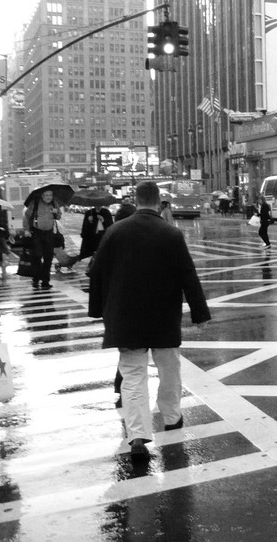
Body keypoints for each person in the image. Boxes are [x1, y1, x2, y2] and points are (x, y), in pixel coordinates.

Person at [87, 181, 211, 461]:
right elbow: (188, 276)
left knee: (132, 377)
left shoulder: (115, 232)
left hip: (125, 317)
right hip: (163, 315)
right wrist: (199, 312)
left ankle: (138, 435)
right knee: (170, 369)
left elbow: (96, 273)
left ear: (135, 199)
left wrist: (98, 311)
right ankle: (172, 416)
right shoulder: (171, 234)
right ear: (158, 202)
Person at [22, 189, 63, 291]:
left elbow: (59, 217)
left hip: (49, 233)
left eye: (50, 195)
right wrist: (26, 230)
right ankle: (36, 279)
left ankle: (45, 281)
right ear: (42, 195)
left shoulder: (54, 203)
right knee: (37, 256)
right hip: (37, 232)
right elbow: (27, 216)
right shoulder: (35, 202)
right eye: (46, 195)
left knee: (48, 257)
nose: (49, 197)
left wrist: (56, 213)